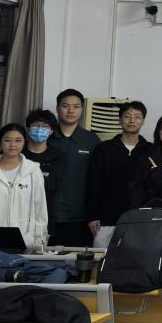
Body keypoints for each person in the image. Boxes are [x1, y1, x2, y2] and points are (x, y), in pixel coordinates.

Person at [87, 101, 150, 247]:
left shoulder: (150, 150)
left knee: (135, 260)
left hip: (139, 221)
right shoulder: (103, 149)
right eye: (127, 116)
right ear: (120, 120)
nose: (132, 120)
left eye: (137, 117)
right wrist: (93, 215)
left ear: (143, 121)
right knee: (102, 259)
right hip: (106, 220)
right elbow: (93, 184)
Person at [48, 88, 99, 247]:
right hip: (47, 216)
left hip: (81, 218)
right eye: (65, 106)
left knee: (77, 259)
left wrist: (94, 214)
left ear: (82, 110)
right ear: (57, 108)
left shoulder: (91, 140)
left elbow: (98, 179)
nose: (70, 110)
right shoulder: (46, 138)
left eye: (76, 106)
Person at [23, 109, 66, 227]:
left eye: (45, 126)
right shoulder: (17, 153)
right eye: (35, 125)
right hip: (17, 208)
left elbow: (52, 185)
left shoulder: (58, 156)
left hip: (45, 211)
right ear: (28, 128)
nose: (39, 129)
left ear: (51, 131)